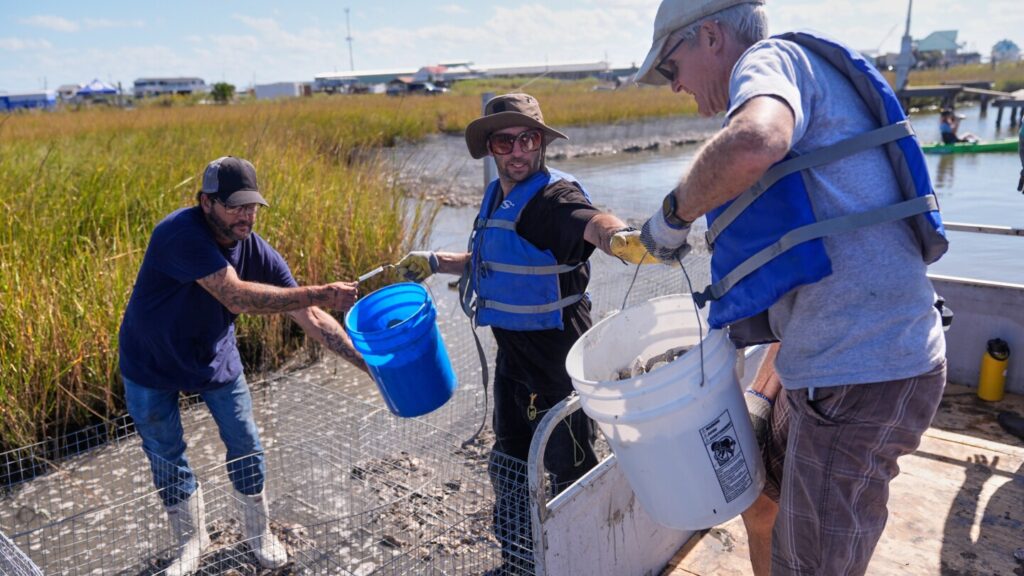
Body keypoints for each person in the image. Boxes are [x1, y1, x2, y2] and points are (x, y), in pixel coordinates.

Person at [634, 2, 949, 575]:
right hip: (831, 364)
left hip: (860, 373)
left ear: (711, 36)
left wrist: (672, 217)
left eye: (669, 67)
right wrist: (765, 389)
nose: (674, 84)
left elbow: (756, 140)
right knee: (761, 498)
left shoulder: (768, 59)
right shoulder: (801, 76)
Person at [395, 93, 651, 575]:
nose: (517, 151)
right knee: (508, 461)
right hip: (513, 361)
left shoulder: (555, 199)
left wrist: (621, 239)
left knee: (571, 469)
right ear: (490, 148)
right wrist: (434, 262)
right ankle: (521, 561)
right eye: (504, 142)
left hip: (558, 364)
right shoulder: (498, 194)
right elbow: (498, 262)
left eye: (527, 139)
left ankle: (583, 563)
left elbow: (592, 223)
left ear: (542, 142)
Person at [119, 156, 368, 575]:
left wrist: (369, 366)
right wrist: (320, 291)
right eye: (235, 206)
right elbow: (237, 297)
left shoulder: (255, 249)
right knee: (165, 451)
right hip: (150, 359)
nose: (246, 216)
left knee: (245, 442)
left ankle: (257, 531)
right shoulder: (178, 234)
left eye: (252, 206)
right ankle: (192, 541)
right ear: (206, 202)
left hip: (213, 357)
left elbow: (310, 316)